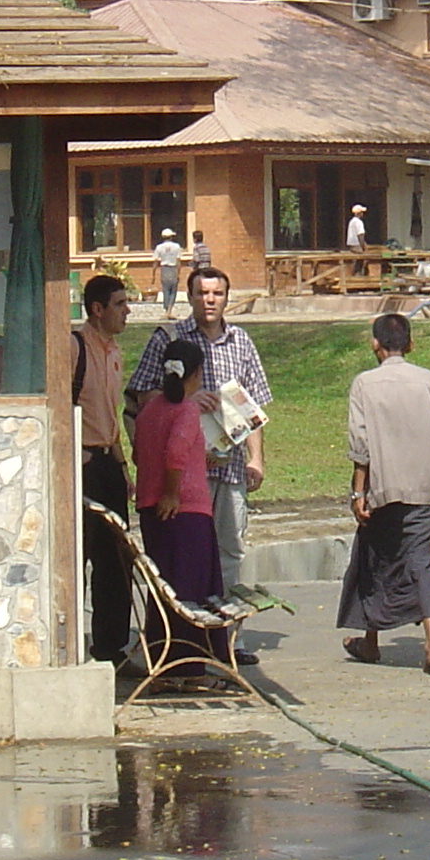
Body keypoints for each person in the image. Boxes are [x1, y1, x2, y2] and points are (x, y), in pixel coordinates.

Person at [127, 266, 272, 637]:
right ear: (189, 297)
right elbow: (142, 397)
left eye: (217, 294)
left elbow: (253, 408)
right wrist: (186, 398)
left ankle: (226, 637)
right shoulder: (168, 339)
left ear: (226, 297)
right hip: (183, 474)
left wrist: (256, 458)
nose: (209, 300)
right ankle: (181, 636)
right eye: (202, 293)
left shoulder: (241, 341)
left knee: (229, 550)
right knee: (184, 561)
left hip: (229, 466)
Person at [339, 313, 430, 675]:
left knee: (376, 559)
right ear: (410, 343)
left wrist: (358, 494)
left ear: (374, 344)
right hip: (422, 485)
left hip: (382, 487)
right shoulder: (427, 380)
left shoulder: (364, 384)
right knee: (421, 561)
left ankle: (371, 641)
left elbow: (361, 446)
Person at [133, 336, 228, 678]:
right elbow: (173, 453)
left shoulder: (150, 409)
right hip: (184, 512)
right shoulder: (186, 408)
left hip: (150, 510)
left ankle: (165, 659)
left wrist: (201, 462)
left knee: (165, 590)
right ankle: (189, 665)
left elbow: (144, 453)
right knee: (191, 590)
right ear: (196, 373)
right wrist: (172, 493)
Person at [74, 273, 136, 665]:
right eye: (119, 304)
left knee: (116, 559)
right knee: (77, 554)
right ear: (97, 309)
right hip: (78, 462)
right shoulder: (74, 347)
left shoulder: (114, 353)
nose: (127, 311)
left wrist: (121, 465)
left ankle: (111, 648)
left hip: (106, 462)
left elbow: (110, 415)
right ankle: (69, 647)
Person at [153, 228, 184, 316]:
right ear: (171, 237)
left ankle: (166, 309)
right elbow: (178, 261)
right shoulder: (177, 246)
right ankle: (170, 309)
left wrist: (153, 274)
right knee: (173, 290)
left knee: (165, 289)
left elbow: (156, 261)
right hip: (173, 268)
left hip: (164, 268)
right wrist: (178, 272)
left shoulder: (159, 247)